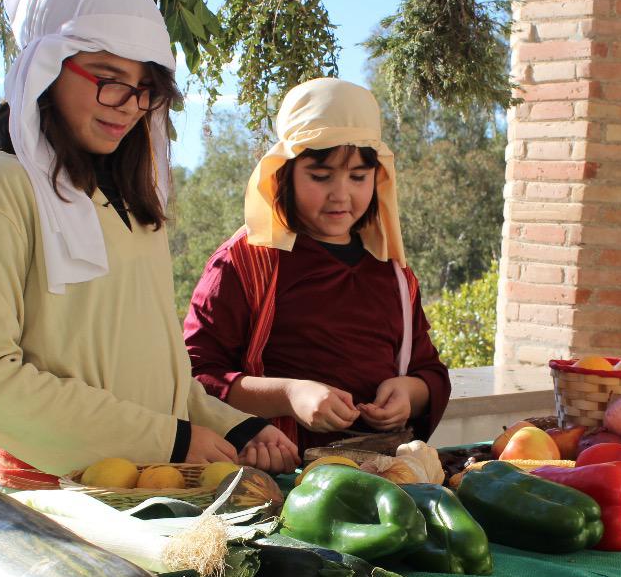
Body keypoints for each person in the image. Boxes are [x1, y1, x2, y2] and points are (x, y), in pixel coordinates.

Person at [0, 0, 298, 490]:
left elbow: (160, 380)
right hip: (52, 498)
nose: (129, 107)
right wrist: (167, 440)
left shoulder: (132, 208)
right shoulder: (1, 188)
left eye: (145, 88)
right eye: (108, 80)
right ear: (46, 69)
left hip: (152, 488)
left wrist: (237, 428)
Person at [183, 77, 450, 453]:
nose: (341, 195)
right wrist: (289, 394)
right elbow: (196, 376)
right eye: (320, 176)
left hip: (384, 470)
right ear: (285, 175)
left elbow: (430, 373)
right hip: (283, 477)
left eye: (359, 177)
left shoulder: (394, 275)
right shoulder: (244, 263)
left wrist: (410, 393)